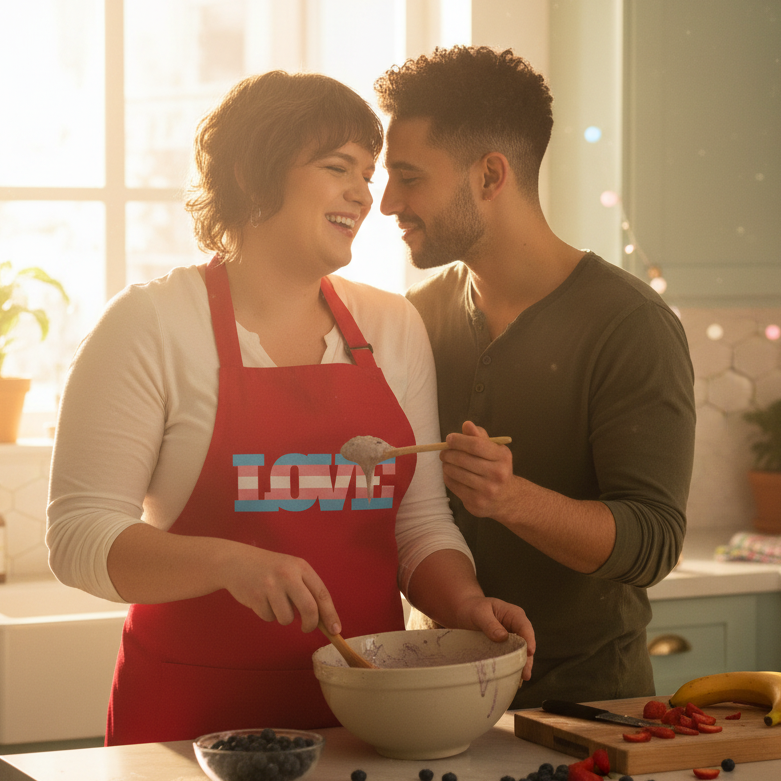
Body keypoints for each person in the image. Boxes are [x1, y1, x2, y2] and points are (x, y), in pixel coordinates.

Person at [46, 70, 535, 746]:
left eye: (368, 173)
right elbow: (78, 537)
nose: (363, 194)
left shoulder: (391, 327)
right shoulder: (151, 324)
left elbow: (418, 522)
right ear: (253, 173)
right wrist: (229, 563)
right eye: (339, 167)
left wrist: (463, 604)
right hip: (190, 728)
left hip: (366, 720)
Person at [374, 46, 696, 708]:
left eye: (408, 178)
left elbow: (653, 542)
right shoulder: (415, 320)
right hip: (443, 698)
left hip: (591, 707)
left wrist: (509, 496)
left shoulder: (628, 323)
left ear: (490, 175)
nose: (387, 203)